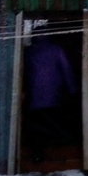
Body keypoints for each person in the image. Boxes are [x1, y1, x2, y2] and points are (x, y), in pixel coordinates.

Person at [22, 29, 79, 162]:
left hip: (33, 97)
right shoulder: (56, 50)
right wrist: (72, 90)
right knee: (54, 123)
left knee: (36, 126)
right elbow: (67, 70)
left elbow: (24, 72)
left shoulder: (29, 52)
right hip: (54, 95)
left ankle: (38, 153)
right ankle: (59, 149)